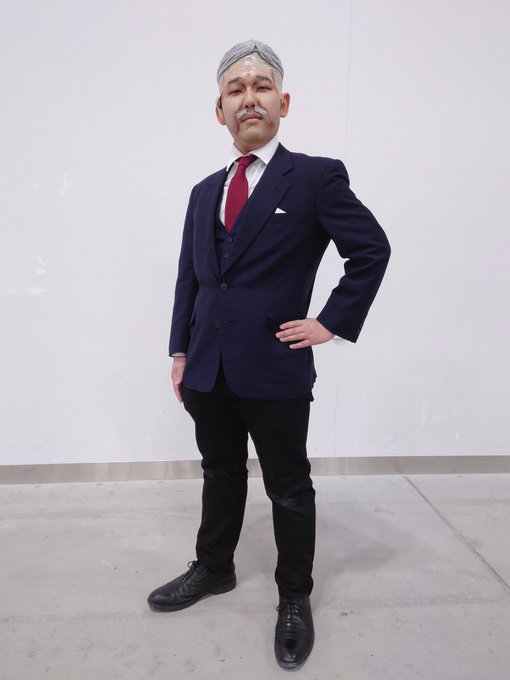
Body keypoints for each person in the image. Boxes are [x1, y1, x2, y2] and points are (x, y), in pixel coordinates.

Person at [148, 39, 391, 670]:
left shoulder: (314, 177)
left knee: (288, 486)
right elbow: (189, 278)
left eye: (261, 87)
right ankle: (214, 567)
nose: (248, 98)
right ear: (220, 111)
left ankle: (294, 595)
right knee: (220, 473)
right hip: (207, 367)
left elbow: (371, 249)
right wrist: (180, 351)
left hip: (274, 364)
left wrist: (330, 322)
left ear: (283, 103)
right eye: (236, 89)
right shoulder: (204, 191)